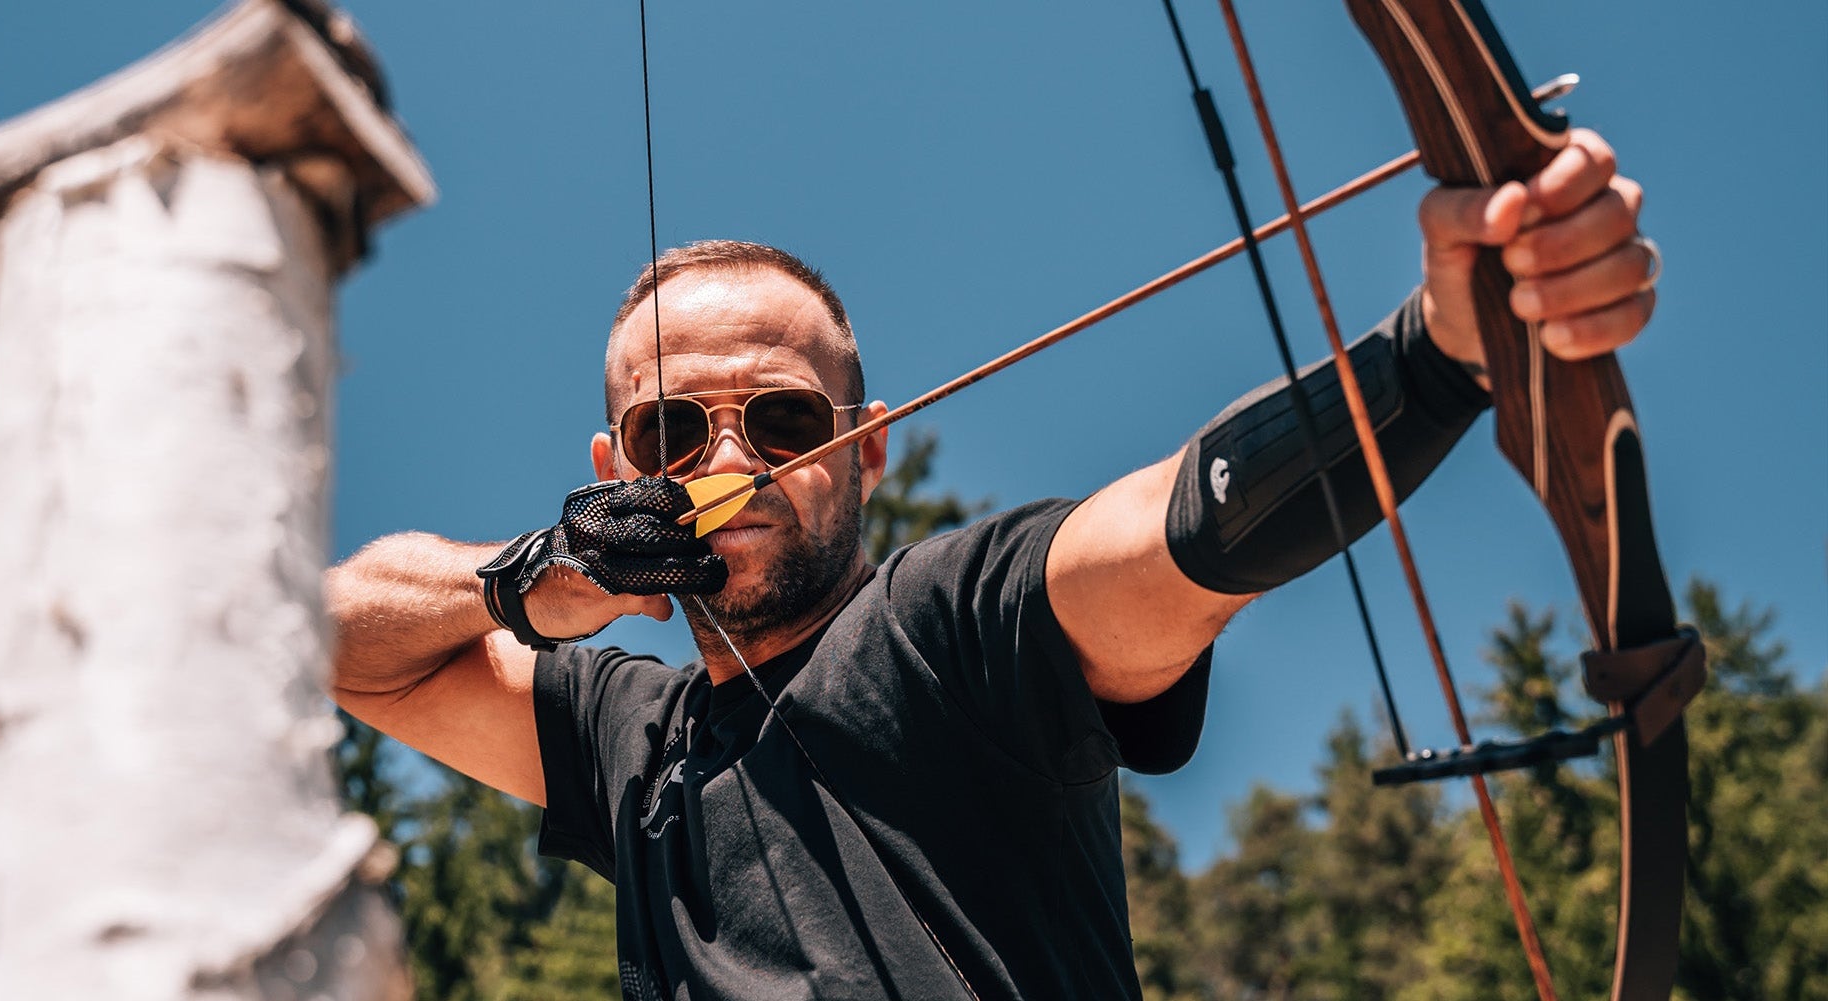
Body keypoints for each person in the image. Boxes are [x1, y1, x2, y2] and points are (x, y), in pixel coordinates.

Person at [327, 129, 1656, 1000]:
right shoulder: (625, 736)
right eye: (672, 432)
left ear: (868, 449)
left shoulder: (951, 625)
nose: (730, 459)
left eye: (783, 419)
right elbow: (329, 642)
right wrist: (529, 578)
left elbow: (1179, 532)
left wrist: (1440, 355)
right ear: (615, 467)